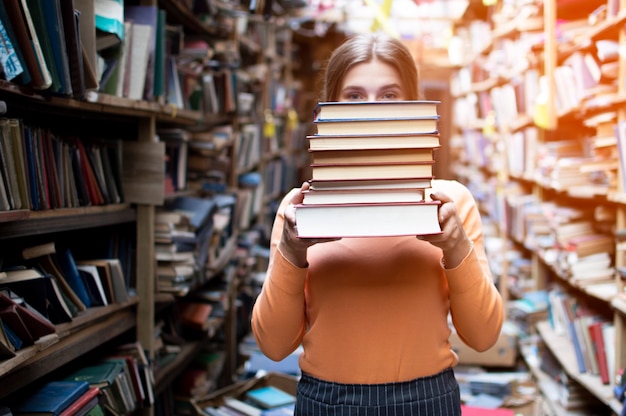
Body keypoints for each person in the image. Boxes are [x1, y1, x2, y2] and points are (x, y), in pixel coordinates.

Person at [251, 32, 504, 415]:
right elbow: (273, 346)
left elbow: (484, 337)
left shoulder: (451, 202)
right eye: (353, 96)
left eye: (390, 96)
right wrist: (291, 250)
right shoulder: (299, 209)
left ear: (414, 107)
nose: (373, 111)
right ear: (329, 110)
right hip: (327, 402)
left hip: (427, 401)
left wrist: (456, 248)